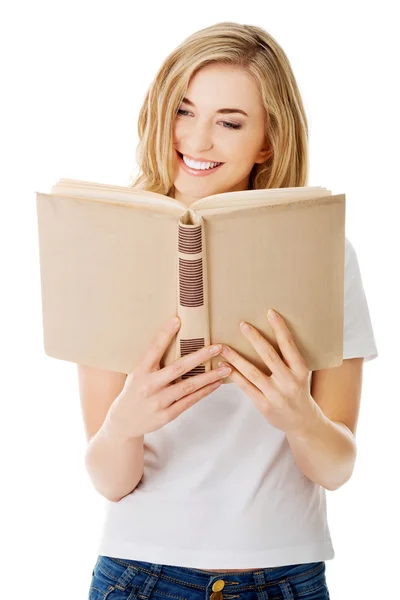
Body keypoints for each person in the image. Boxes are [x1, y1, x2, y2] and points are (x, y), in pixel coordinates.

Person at [81, 22, 378, 600]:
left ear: (268, 139)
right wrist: (126, 423)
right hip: (141, 574)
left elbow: (337, 468)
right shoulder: (113, 243)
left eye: (230, 122)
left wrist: (299, 417)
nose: (195, 141)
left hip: (285, 575)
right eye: (183, 111)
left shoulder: (323, 252)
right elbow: (109, 481)